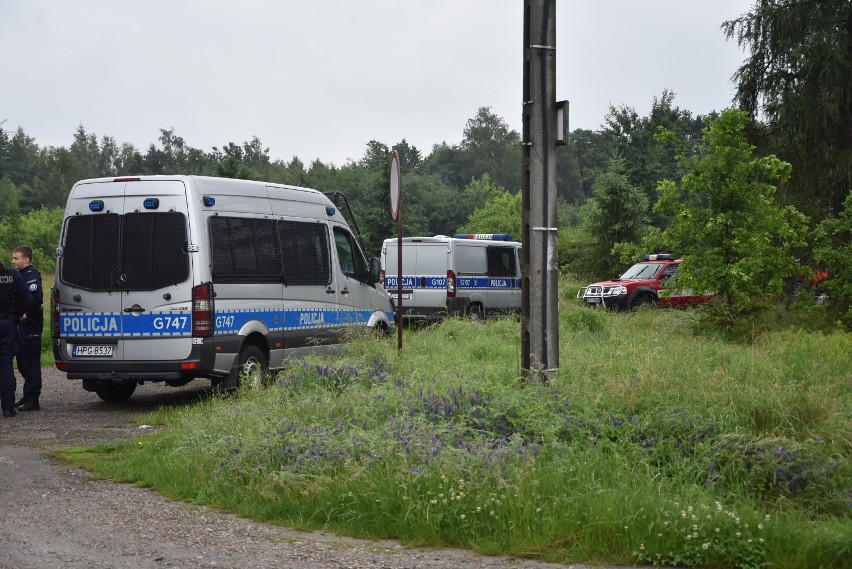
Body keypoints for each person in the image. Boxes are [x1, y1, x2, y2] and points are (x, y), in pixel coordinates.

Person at [0, 256, 32, 417]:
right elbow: (27, 298)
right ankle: (7, 408)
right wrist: (16, 315)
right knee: (5, 364)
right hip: (6, 323)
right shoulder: (12, 274)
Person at [12, 246, 42, 411]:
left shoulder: (31, 275)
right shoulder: (19, 275)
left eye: (16, 258)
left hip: (31, 324)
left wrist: (24, 313)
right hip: (21, 326)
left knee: (31, 363)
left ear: (26, 260)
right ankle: (27, 393)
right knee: (22, 363)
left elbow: (35, 298)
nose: (13, 261)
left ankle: (33, 399)